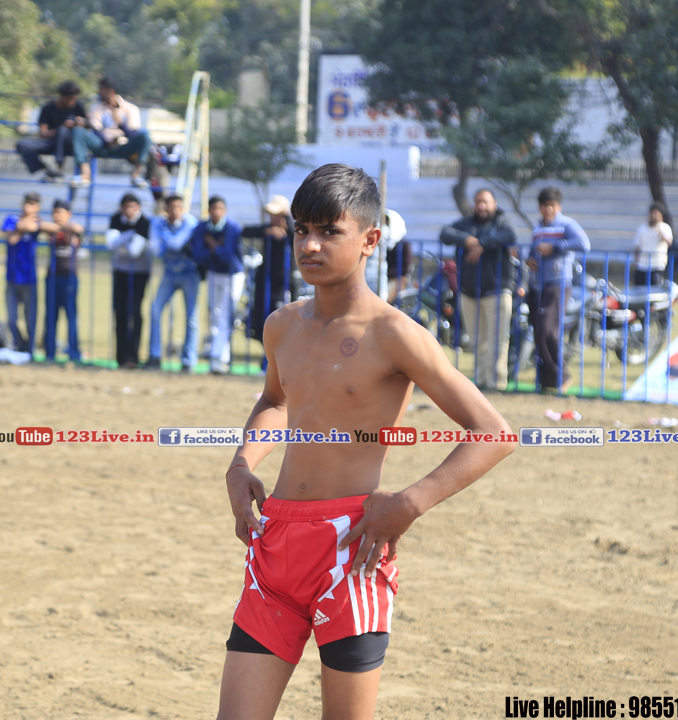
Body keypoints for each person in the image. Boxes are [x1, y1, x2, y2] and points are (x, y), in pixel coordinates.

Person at [220, 164, 516, 720]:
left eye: (329, 231)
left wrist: (411, 502)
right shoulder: (282, 325)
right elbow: (276, 403)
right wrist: (241, 464)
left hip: (351, 547)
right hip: (275, 540)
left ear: (370, 240)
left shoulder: (395, 333)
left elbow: (494, 433)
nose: (309, 245)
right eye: (302, 229)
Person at [439, 189, 517, 390]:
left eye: (485, 202)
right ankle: (481, 382)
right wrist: (467, 240)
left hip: (497, 291)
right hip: (469, 291)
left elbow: (510, 235)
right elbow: (445, 233)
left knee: (498, 341)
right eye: (478, 202)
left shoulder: (502, 222)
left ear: (494, 204)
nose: (481, 206)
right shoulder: (466, 224)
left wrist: (482, 245)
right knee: (477, 341)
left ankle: (496, 384)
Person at [526, 186, 590, 394]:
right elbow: (533, 251)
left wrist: (555, 247)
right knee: (538, 332)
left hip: (558, 284)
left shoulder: (566, 225)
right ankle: (546, 381)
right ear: (539, 207)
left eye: (552, 205)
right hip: (537, 285)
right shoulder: (537, 228)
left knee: (548, 329)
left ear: (559, 206)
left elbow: (584, 244)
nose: (548, 209)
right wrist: (530, 259)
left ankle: (562, 376)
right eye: (545, 205)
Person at [146, 194, 200, 371]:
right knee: (155, 311)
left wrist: (164, 237)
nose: (176, 211)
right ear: (166, 209)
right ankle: (154, 356)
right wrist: (167, 241)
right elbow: (156, 251)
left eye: (179, 207)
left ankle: (188, 360)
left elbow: (176, 244)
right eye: (172, 207)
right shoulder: (157, 222)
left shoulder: (190, 222)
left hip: (190, 274)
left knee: (191, 318)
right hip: (168, 274)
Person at [193, 196, 244, 375]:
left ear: (225, 210)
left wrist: (212, 244)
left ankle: (220, 357)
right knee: (215, 314)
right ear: (209, 210)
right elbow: (197, 255)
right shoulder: (202, 227)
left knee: (226, 315)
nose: (216, 213)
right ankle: (218, 357)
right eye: (213, 209)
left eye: (220, 209)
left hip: (232, 274)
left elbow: (227, 256)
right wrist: (216, 249)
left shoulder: (232, 227)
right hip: (214, 273)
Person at [71, 77, 151, 188]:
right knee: (78, 131)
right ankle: (85, 174)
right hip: (102, 145)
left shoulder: (130, 109)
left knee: (145, 135)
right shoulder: (96, 107)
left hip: (123, 146)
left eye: (101, 89)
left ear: (110, 91)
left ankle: (135, 176)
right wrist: (107, 141)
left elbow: (133, 134)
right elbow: (96, 130)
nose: (99, 92)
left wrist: (120, 123)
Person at [106, 193, 154, 369]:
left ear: (138, 207)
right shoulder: (115, 219)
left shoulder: (145, 222)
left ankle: (132, 356)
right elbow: (110, 244)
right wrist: (130, 234)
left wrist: (121, 241)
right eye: (126, 207)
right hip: (120, 271)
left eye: (132, 207)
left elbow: (134, 251)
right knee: (120, 313)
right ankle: (120, 357)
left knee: (134, 313)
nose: (129, 210)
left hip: (139, 273)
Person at [242, 195, 295, 350]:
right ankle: (267, 355)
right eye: (271, 214)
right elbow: (245, 231)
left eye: (277, 214)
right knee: (260, 321)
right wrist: (267, 231)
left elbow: (298, 234)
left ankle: (279, 356)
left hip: (283, 282)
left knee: (281, 320)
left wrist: (287, 227)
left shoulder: (294, 231)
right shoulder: (267, 229)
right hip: (265, 280)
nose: (273, 217)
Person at [16, 81, 87, 181]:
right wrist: (62, 127)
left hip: (70, 144)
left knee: (63, 131)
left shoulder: (78, 106)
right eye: (69, 99)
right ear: (61, 96)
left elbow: (89, 125)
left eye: (74, 99)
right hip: (51, 142)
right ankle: (48, 171)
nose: (72, 102)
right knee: (22, 144)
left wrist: (82, 123)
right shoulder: (48, 108)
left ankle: (59, 167)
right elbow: (43, 133)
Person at [2, 192, 46, 353]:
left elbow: (38, 227)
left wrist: (24, 225)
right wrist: (23, 225)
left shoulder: (36, 222)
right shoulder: (11, 219)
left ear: (38, 208)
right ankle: (21, 346)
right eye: (26, 203)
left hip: (29, 279)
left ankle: (30, 350)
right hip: (12, 278)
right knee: (12, 319)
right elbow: (12, 239)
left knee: (30, 319)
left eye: (32, 204)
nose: (27, 207)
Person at [43, 199, 85, 363]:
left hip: (69, 278)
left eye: (60, 213)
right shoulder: (52, 230)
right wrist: (57, 227)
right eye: (54, 212)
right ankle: (50, 353)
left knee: (71, 316)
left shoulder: (72, 230)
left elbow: (78, 229)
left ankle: (74, 352)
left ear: (69, 214)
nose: (57, 216)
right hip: (52, 277)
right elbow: (41, 225)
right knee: (51, 316)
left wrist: (62, 226)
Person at [632, 201, 673, 286]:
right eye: (651, 213)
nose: (653, 216)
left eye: (655, 214)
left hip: (657, 265)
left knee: (654, 290)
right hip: (642, 265)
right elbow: (637, 247)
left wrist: (659, 228)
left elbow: (669, 242)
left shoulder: (665, 227)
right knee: (639, 289)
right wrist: (636, 262)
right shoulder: (642, 228)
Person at [382, 209, 411, 304]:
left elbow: (405, 268)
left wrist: (387, 272)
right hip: (383, 275)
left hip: (397, 278)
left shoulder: (404, 244)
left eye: (387, 224)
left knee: (385, 296)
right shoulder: (382, 243)